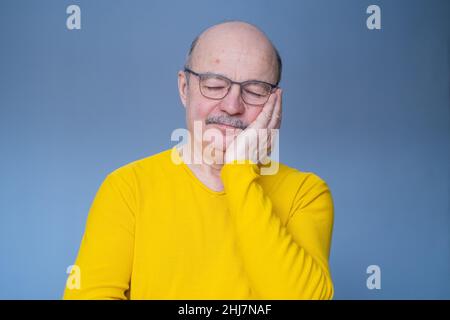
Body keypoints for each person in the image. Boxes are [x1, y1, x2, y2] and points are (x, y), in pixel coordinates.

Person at [63, 20, 334, 300]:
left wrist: (239, 170)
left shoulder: (307, 194)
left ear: (274, 102)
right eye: (215, 86)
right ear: (184, 88)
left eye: (255, 90)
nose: (232, 106)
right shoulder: (127, 188)